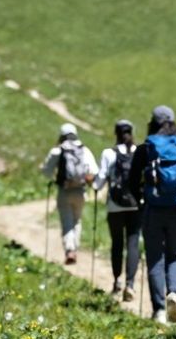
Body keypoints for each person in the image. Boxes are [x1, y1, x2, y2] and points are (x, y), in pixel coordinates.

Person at [127, 105, 176, 325]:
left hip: (152, 209)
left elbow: (132, 181)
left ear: (152, 122)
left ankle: (159, 310)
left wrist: (140, 201)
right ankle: (175, 293)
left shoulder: (146, 148)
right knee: (174, 254)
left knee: (154, 258)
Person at [93, 120, 141, 302]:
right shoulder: (139, 152)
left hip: (115, 205)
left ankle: (116, 281)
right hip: (136, 204)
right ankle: (130, 284)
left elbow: (100, 180)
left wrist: (95, 186)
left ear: (116, 133)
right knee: (133, 244)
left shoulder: (108, 153)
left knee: (117, 244)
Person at [40, 123, 97, 266]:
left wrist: (55, 179)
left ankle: (70, 249)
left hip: (64, 191)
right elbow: (94, 170)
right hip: (80, 191)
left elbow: (46, 171)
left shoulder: (58, 151)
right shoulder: (84, 150)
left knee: (67, 221)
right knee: (77, 220)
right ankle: (75, 248)